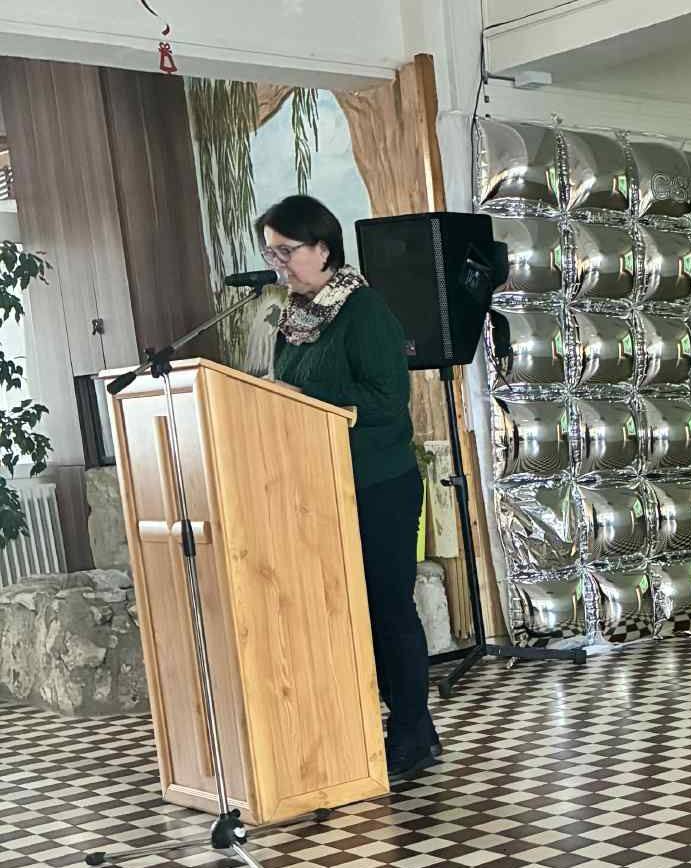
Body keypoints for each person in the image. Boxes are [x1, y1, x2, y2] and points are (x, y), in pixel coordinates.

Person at [257, 194, 440, 782]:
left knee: (388, 608)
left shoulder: (364, 311)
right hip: (320, 487)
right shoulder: (294, 320)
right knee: (344, 612)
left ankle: (410, 729)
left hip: (379, 485)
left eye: (287, 251)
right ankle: (376, 725)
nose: (278, 263)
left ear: (323, 248)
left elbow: (388, 400)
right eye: (270, 253)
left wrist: (307, 401)